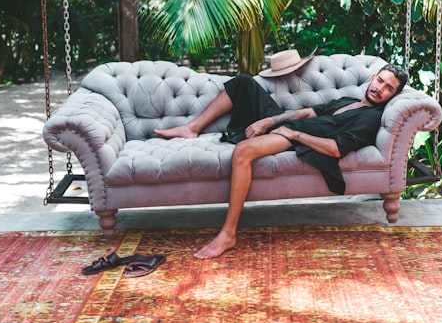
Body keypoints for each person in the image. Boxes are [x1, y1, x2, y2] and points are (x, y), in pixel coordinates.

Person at [156, 50, 408, 259]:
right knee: (243, 82)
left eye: (389, 89)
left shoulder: (370, 119)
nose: (380, 89)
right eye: (380, 81)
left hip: (298, 139)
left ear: (393, 96)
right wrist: (270, 120)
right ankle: (192, 128)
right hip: (290, 128)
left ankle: (228, 234)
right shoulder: (347, 100)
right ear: (373, 77)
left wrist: (292, 134)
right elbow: (307, 112)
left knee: (243, 151)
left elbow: (335, 148)